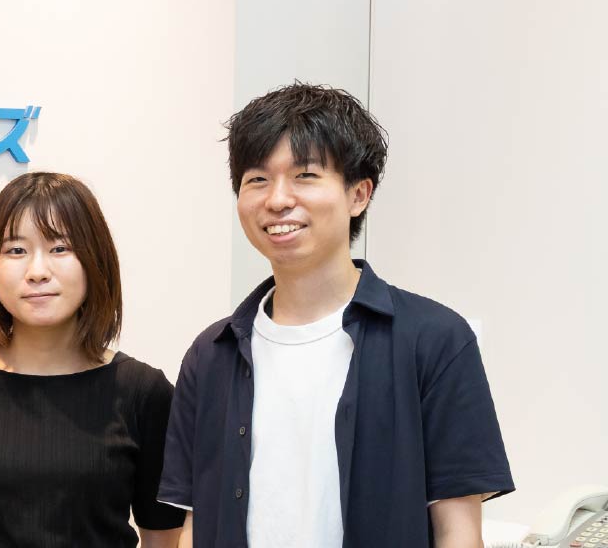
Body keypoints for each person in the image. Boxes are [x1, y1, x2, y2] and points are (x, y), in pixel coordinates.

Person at [159, 83, 514, 548]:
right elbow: (194, 527)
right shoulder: (211, 354)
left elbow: (458, 533)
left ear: (359, 195)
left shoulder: (435, 340)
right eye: (257, 179)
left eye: (305, 175)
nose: (277, 199)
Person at [0, 172, 185, 548]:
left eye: (60, 248)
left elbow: (162, 536)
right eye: (16, 250)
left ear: (95, 261)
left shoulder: (144, 392)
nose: (37, 272)